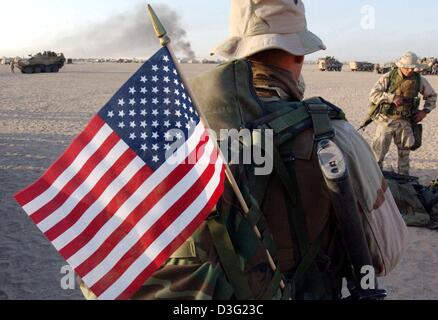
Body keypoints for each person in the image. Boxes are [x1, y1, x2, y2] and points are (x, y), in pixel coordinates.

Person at [79, 0, 407, 300]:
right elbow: (385, 254)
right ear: (298, 53)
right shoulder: (334, 134)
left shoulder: (174, 130)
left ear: (236, 51)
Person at [369, 52, 437, 175]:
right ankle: (377, 180)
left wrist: (425, 111)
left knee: (404, 156)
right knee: (378, 154)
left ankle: (404, 183)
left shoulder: (419, 80)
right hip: (386, 122)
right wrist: (391, 97)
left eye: (412, 68)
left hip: (405, 123)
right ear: (400, 66)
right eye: (407, 68)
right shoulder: (388, 77)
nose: (410, 70)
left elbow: (432, 96)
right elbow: (373, 95)